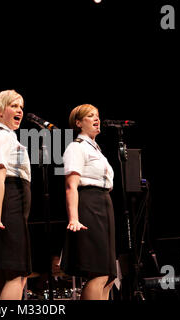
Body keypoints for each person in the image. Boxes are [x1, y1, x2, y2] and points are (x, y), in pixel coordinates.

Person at [60, 104, 116, 300]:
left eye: (98, 116)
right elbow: (71, 186)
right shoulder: (76, 147)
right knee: (98, 271)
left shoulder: (97, 150)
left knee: (109, 276)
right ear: (78, 123)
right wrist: (74, 218)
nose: (96, 119)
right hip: (89, 205)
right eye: (90, 116)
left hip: (104, 204)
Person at [0, 89, 32, 300]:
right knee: (16, 274)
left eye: (21, 107)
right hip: (8, 205)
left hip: (15, 207)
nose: (19, 110)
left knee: (10, 276)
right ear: (0, 111)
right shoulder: (0, 136)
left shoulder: (9, 137)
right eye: (14, 106)